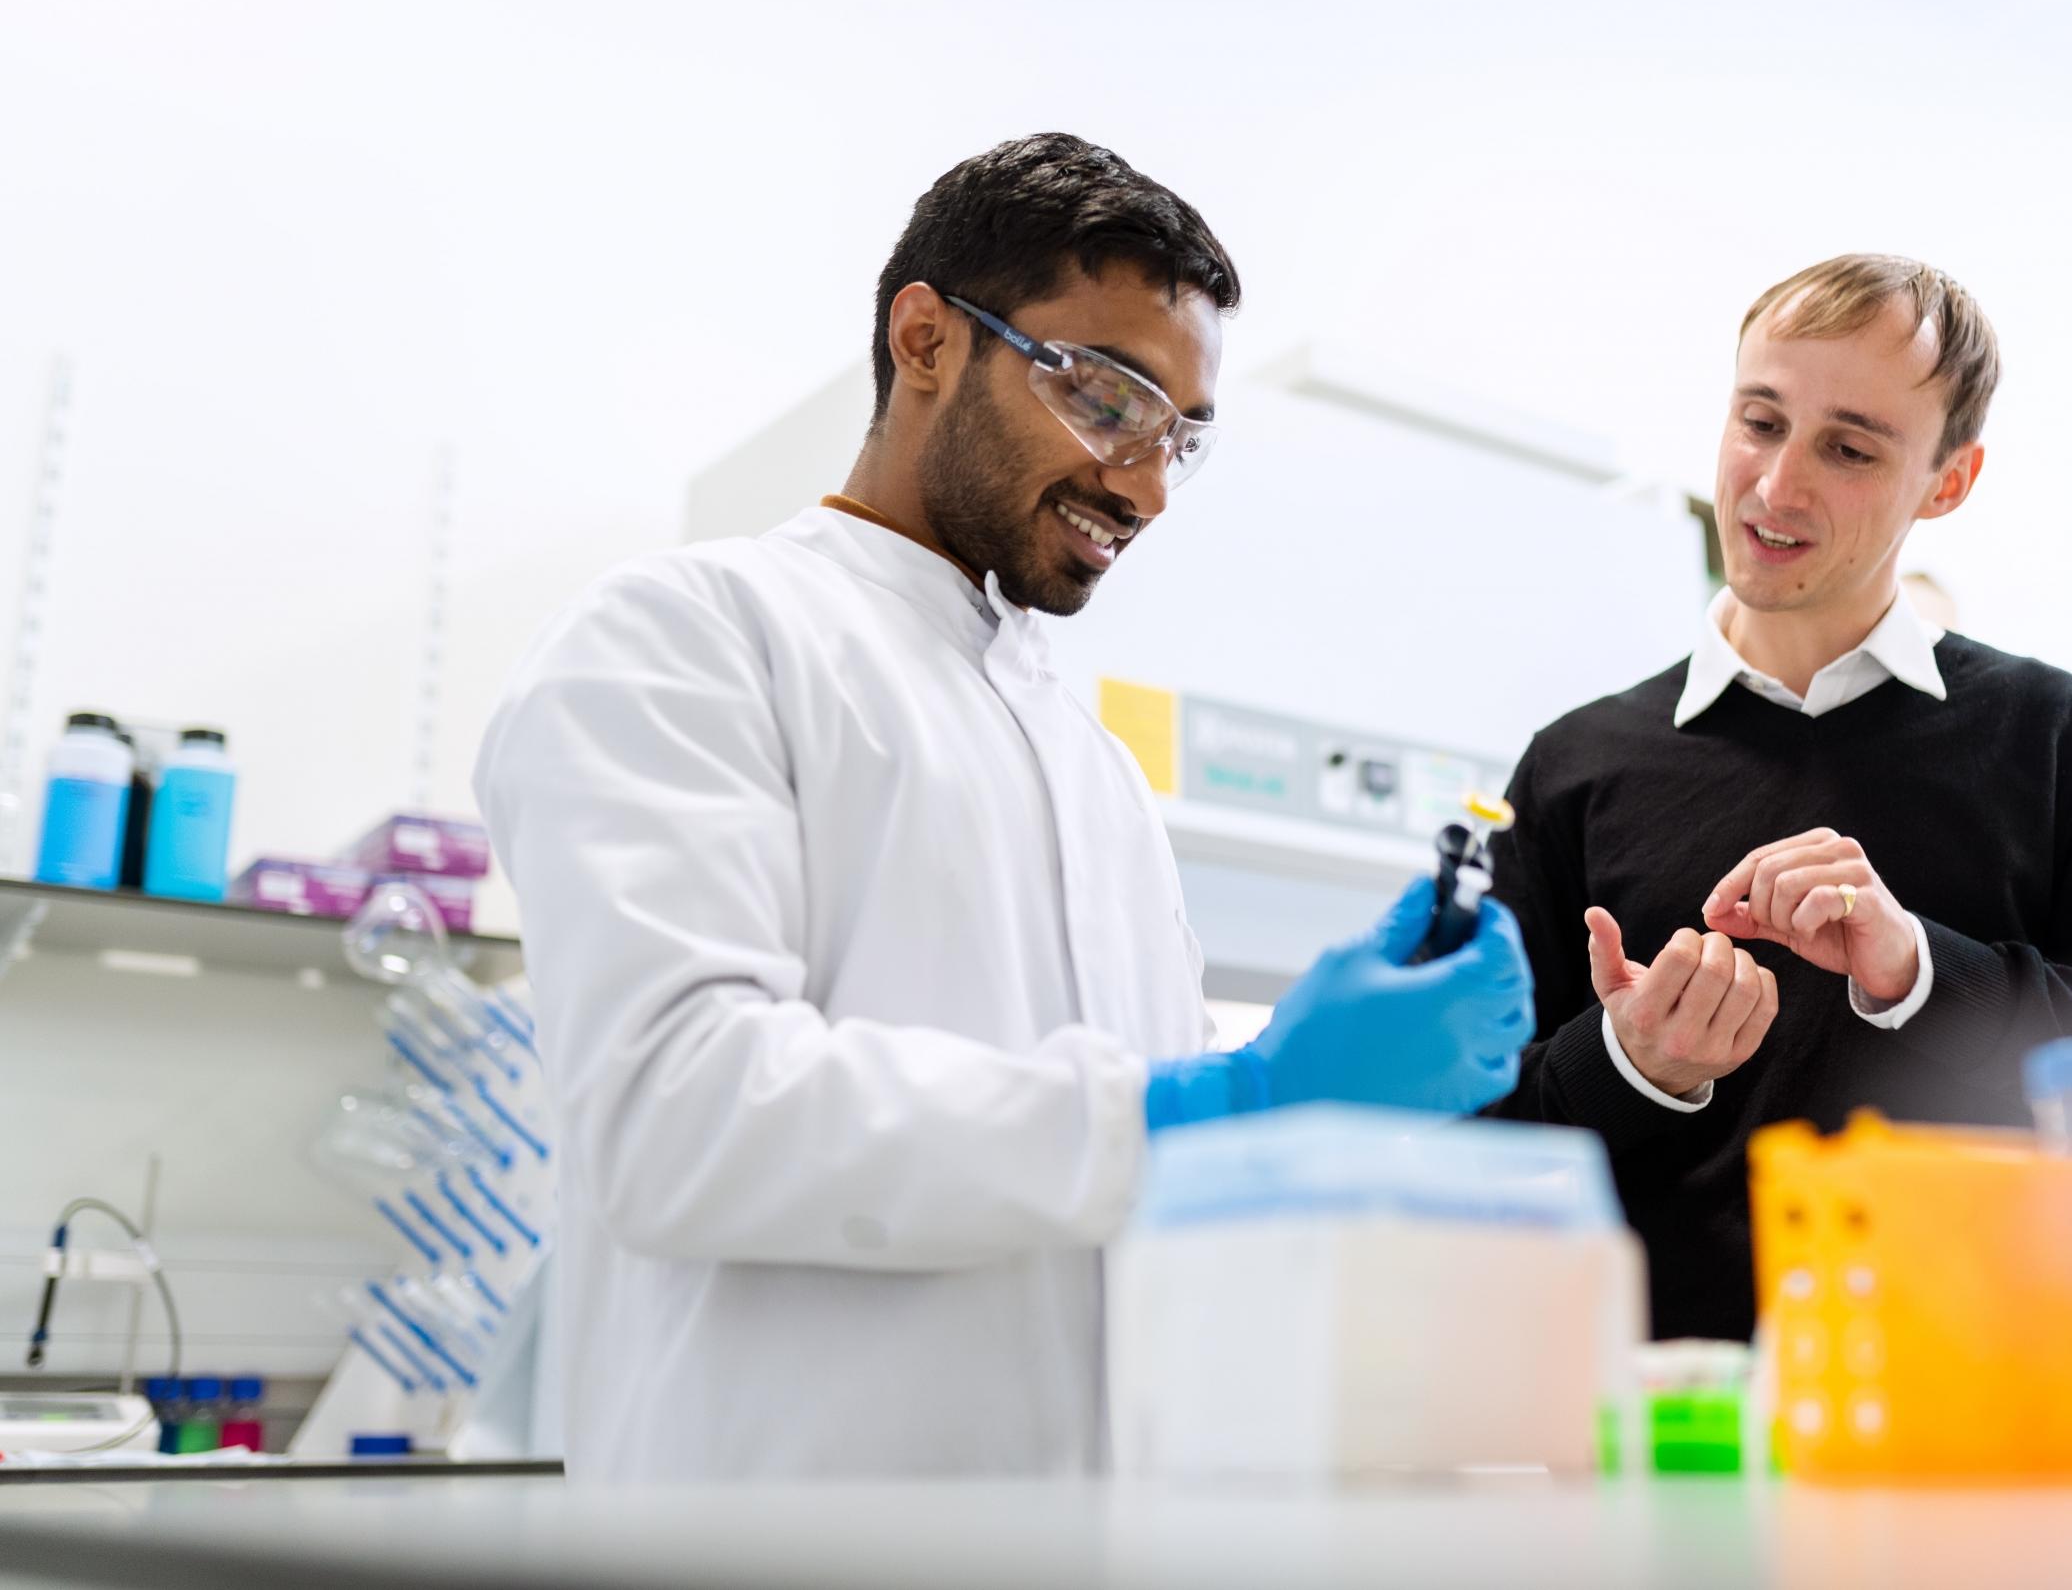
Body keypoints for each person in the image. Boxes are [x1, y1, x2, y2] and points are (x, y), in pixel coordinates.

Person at [473, 134, 1534, 1482]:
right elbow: (678, 1115)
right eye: (1106, 398)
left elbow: (1126, 1199)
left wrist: (1318, 1130)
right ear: (925, 340)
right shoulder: (688, 635)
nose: (1144, 485)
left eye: (1181, 438)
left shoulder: (1085, 761)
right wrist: (1222, 1102)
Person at [1481, 254, 2072, 1341]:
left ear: (1947, 481)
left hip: (1989, 1432)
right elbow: (1462, 1136)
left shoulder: (2053, 736)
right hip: (1676, 1448)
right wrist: (1629, 1067)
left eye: (1847, 448)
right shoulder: (1573, 766)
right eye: (1760, 422)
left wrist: (1922, 973)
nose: (1774, 486)